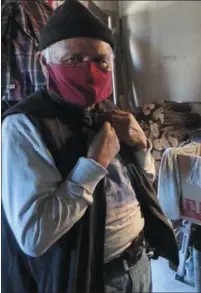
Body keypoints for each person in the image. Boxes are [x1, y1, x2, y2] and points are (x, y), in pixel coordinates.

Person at [1, 1, 178, 292]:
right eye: (73, 59)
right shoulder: (25, 126)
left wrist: (141, 147)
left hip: (139, 265)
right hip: (90, 278)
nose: (90, 70)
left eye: (100, 60)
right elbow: (34, 237)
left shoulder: (106, 111)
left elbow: (140, 185)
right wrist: (93, 165)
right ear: (45, 63)